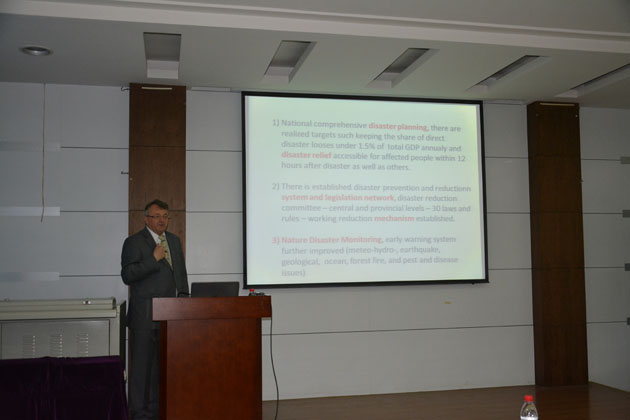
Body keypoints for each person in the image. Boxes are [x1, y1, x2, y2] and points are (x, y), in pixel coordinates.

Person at [121, 199, 189, 420]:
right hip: (144, 316)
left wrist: (184, 301)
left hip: (170, 316)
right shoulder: (133, 242)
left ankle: (158, 411)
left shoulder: (174, 241)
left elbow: (180, 275)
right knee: (141, 369)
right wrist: (152, 259)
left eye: (165, 216)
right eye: (157, 216)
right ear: (146, 219)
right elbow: (127, 275)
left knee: (162, 369)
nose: (162, 220)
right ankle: (138, 414)